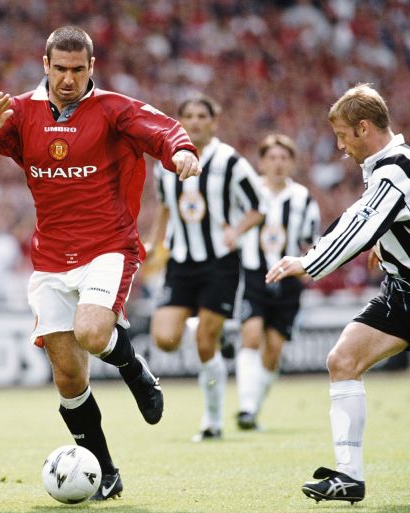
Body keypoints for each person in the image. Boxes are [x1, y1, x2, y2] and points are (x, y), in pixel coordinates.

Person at [0, 26, 200, 500]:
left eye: (77, 69)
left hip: (108, 247)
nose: (67, 78)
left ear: (91, 68)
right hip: (49, 258)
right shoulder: (18, 113)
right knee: (68, 375)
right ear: (44, 65)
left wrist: (182, 151)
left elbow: (164, 129)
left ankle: (133, 369)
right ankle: (105, 470)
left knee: (92, 333)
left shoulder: (113, 108)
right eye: (59, 69)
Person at [267, 83, 410, 504]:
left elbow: (360, 223)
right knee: (342, 360)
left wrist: (307, 262)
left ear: (364, 128)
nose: (339, 147)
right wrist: (384, 247)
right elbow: (372, 220)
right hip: (403, 288)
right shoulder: (383, 167)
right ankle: (349, 476)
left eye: (343, 136)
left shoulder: (397, 167)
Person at [145, 92, 264, 442]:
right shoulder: (164, 162)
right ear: (179, 121)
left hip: (220, 263)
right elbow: (165, 207)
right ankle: (205, 331)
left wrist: (236, 230)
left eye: (202, 116)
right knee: (164, 339)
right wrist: (154, 243)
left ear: (214, 121)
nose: (195, 122)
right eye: (189, 116)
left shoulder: (230, 162)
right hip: (181, 262)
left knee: (203, 341)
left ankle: (212, 421)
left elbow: (258, 206)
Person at [235, 134, 320, 430]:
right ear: (261, 162)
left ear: (292, 163)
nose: (278, 163)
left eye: (284, 158)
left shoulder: (303, 198)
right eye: (272, 158)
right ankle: (246, 407)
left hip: (288, 280)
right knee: (252, 334)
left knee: (273, 349)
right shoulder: (247, 193)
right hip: (253, 275)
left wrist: (311, 265)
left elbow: (311, 241)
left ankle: (253, 408)